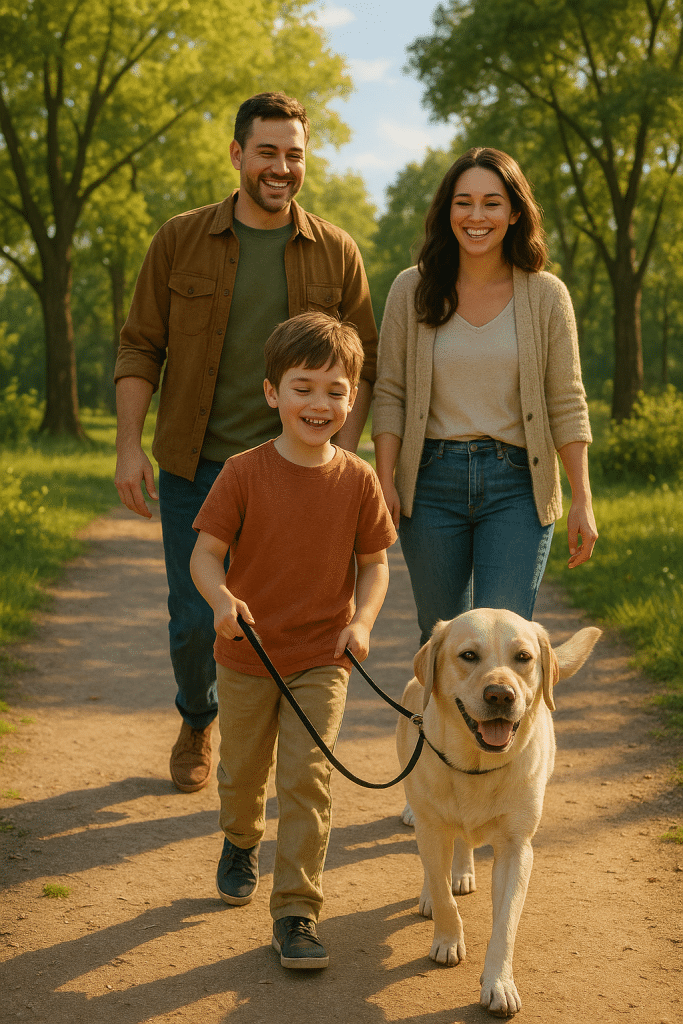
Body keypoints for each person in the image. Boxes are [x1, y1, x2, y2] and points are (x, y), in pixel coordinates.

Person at [113, 92, 377, 794]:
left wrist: (343, 461)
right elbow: (140, 346)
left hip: (297, 475)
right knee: (196, 616)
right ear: (237, 155)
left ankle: (275, 739)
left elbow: (362, 366)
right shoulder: (179, 239)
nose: (280, 167)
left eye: (293, 154)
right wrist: (128, 447)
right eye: (267, 152)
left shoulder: (336, 251)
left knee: (295, 614)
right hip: (196, 466)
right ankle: (197, 716)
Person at [189, 311, 396, 968]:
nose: (319, 403)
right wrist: (221, 599)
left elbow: (376, 564)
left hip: (321, 660)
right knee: (243, 774)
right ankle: (241, 839)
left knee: (308, 779)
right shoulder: (244, 472)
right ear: (272, 393)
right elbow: (204, 555)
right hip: (246, 654)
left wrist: (360, 622)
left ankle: (297, 912)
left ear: (352, 398)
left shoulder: (358, 479)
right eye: (303, 387)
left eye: (335, 390)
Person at [372, 147, 597, 647]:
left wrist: (582, 496)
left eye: (491, 203)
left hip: (516, 485)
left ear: (515, 213)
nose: (476, 217)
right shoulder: (412, 289)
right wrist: (385, 480)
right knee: (444, 643)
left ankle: (507, 731)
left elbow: (567, 400)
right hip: (429, 485)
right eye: (463, 202)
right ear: (446, 211)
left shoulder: (546, 295)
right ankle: (437, 730)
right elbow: (390, 392)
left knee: (506, 643)